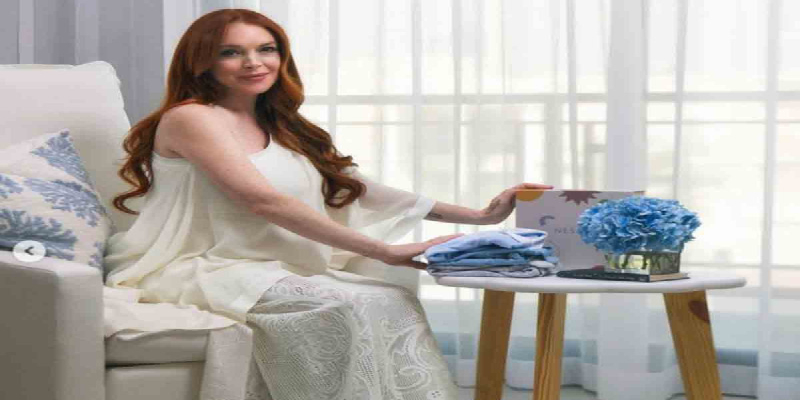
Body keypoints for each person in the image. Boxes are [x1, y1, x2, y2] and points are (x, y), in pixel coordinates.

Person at [104, 8, 552, 400]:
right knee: (338, 306)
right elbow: (262, 200)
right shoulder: (191, 118)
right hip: (201, 265)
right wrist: (384, 250)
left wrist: (482, 215)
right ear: (201, 61)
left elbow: (355, 187)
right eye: (231, 52)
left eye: (266, 49)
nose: (254, 62)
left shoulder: (283, 124)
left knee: (394, 299)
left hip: (273, 264)